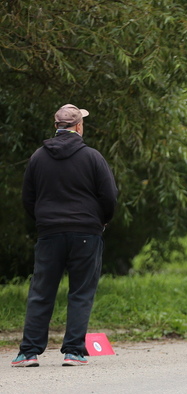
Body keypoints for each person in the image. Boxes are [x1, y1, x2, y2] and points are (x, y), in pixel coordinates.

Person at [12, 104, 118, 367]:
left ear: (56, 125)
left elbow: (28, 198)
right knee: (81, 292)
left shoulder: (38, 157)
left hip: (50, 233)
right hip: (86, 233)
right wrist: (101, 221)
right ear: (79, 126)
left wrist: (44, 221)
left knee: (41, 291)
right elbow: (110, 196)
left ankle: (29, 352)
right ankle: (74, 351)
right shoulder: (93, 157)